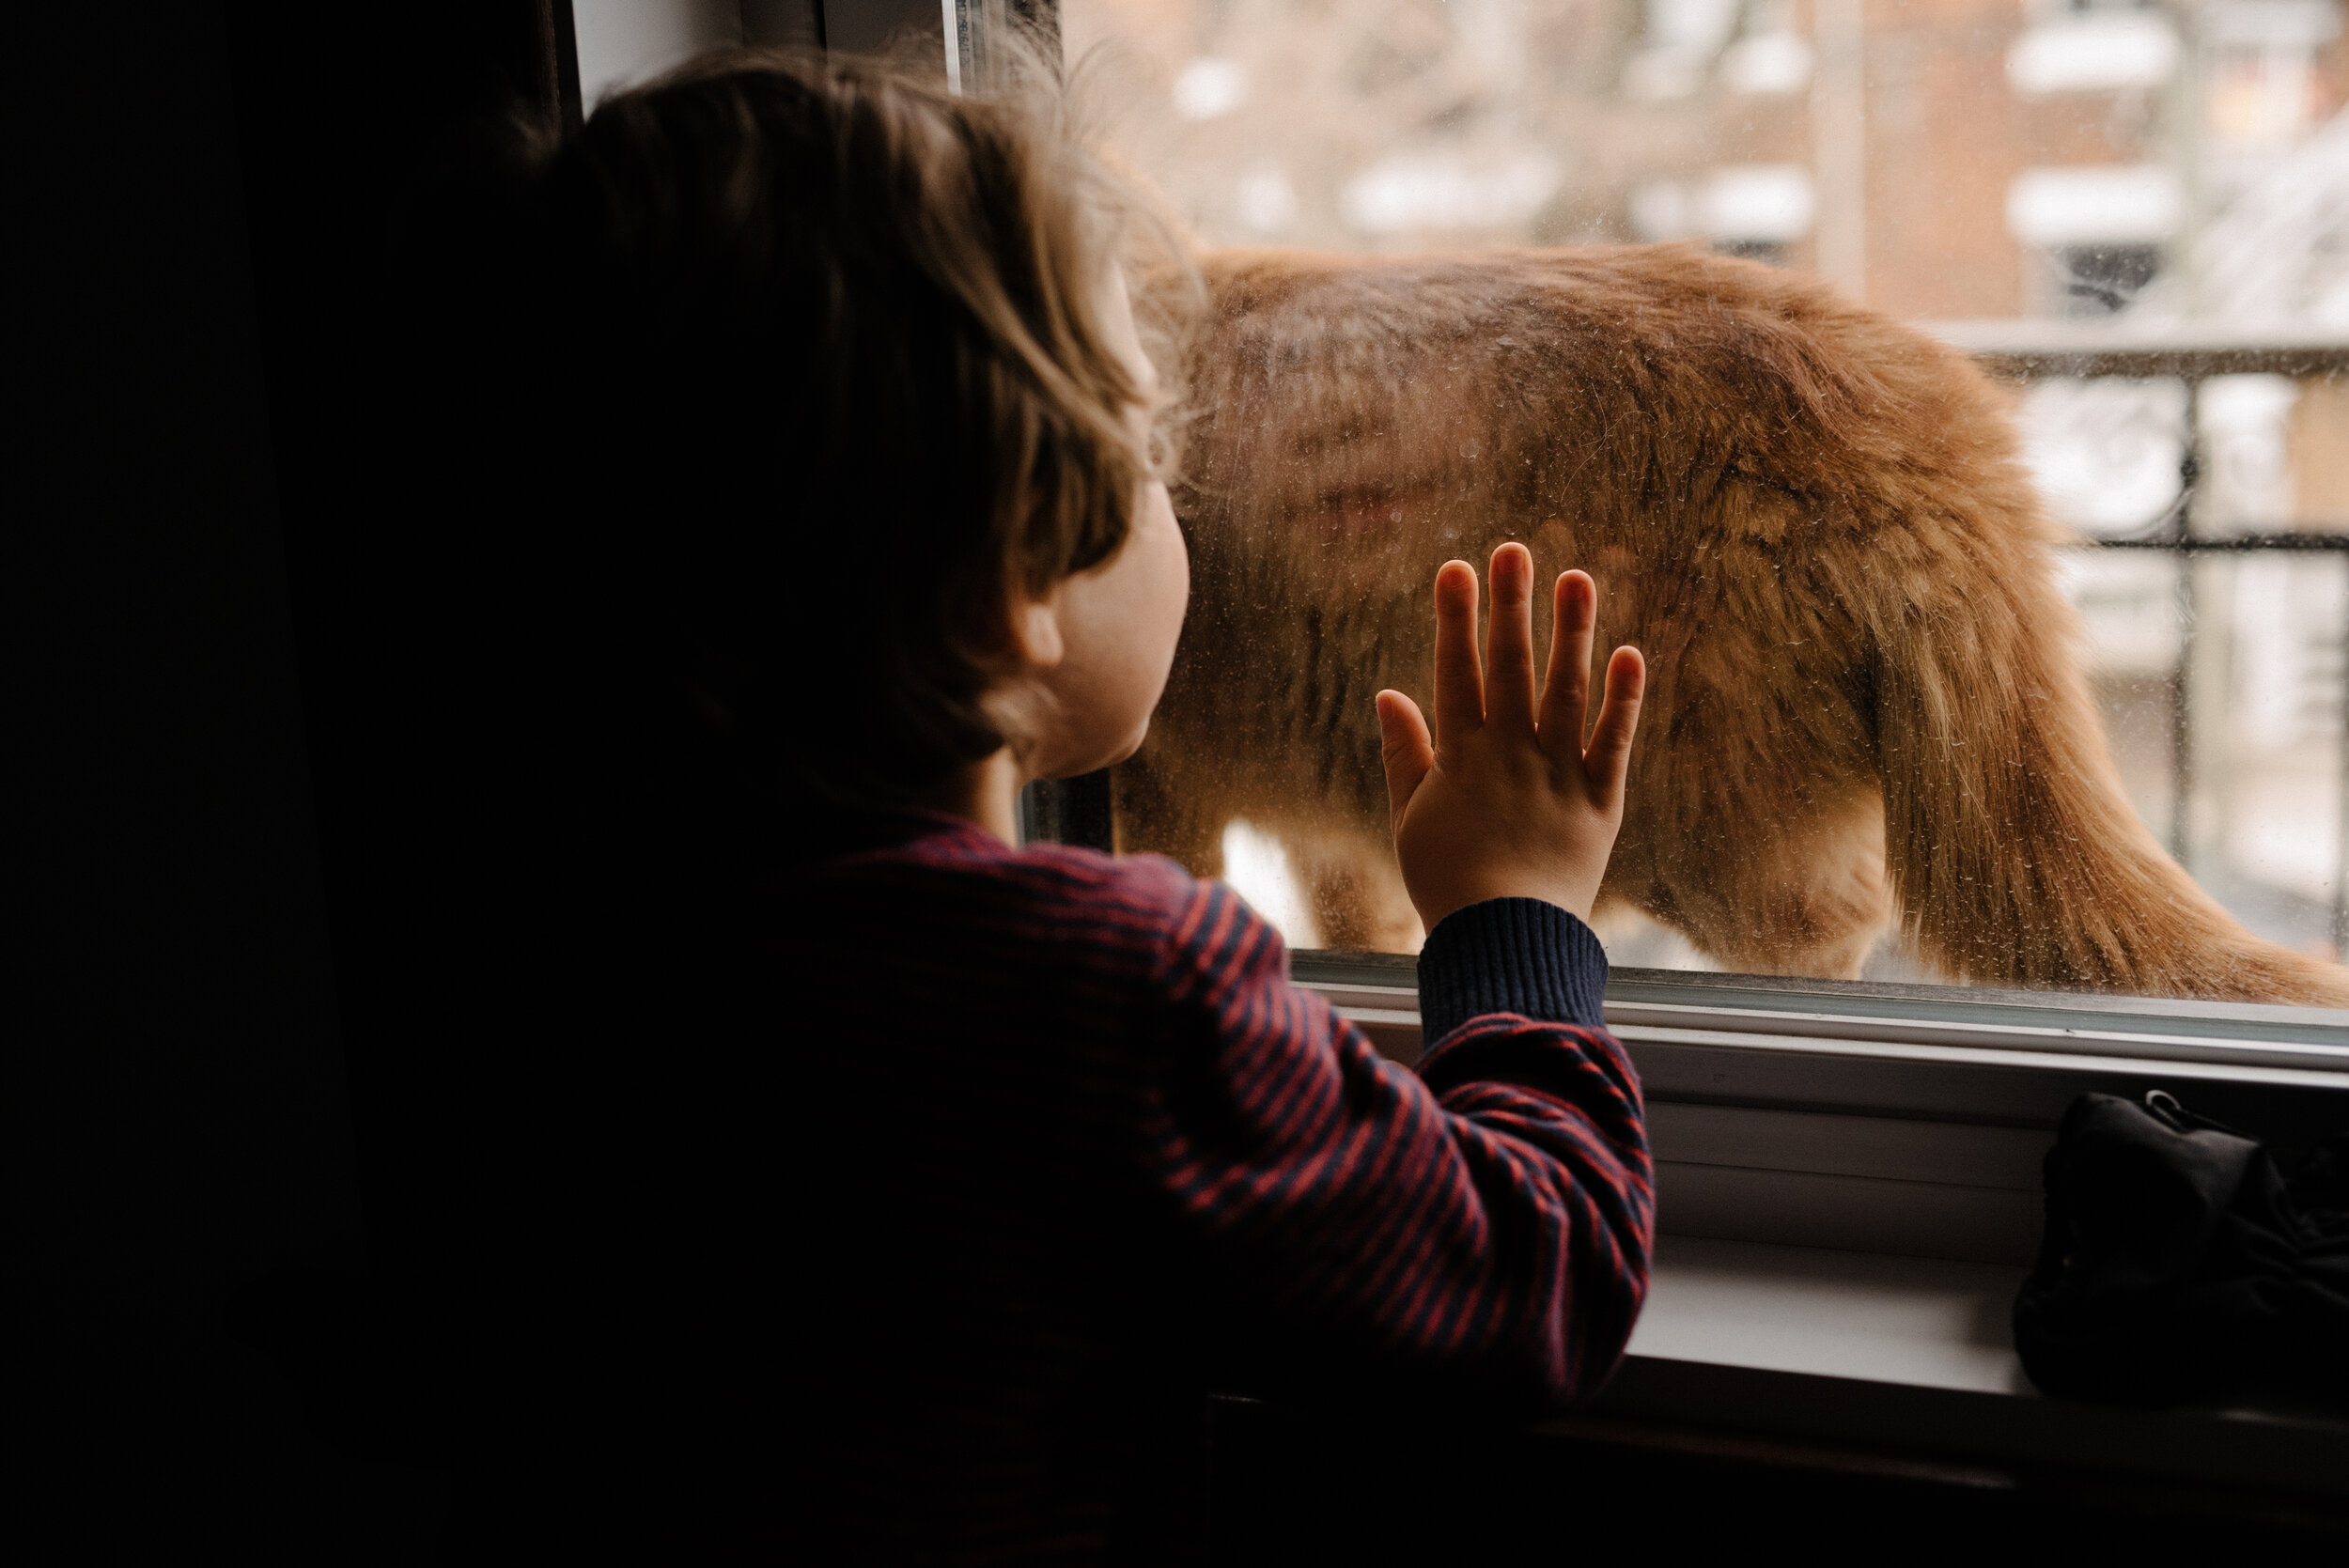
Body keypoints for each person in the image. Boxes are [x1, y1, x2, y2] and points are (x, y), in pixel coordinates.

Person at [459, 42, 1652, 1563]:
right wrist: (1515, 916)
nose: (1180, 498)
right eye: (1147, 449)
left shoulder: (571, 934)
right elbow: (1529, 1285)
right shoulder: (1109, 991)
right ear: (1019, 574)